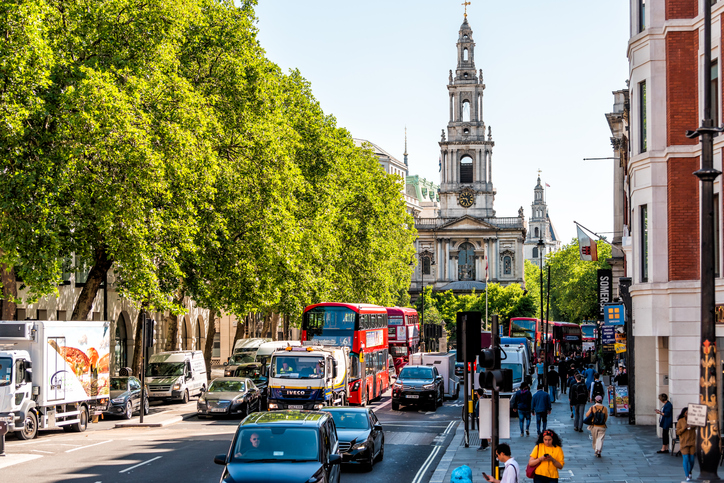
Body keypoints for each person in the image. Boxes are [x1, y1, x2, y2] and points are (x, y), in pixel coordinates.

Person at [676, 407, 696, 481]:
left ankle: (690, 471)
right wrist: (684, 428)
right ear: (684, 414)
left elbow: (697, 425)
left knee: (692, 459)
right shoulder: (680, 421)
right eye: (686, 413)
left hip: (692, 441)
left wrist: (691, 425)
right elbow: (677, 432)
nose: (688, 414)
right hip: (684, 442)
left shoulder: (693, 420)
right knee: (686, 459)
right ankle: (687, 475)